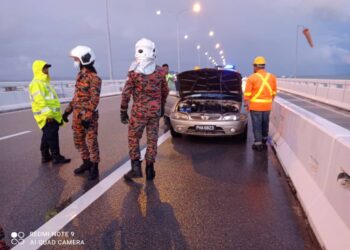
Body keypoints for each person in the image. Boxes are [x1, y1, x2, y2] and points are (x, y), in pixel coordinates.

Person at [121, 38, 169, 181]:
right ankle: (150, 169)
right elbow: (165, 91)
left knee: (133, 138)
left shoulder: (133, 70)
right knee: (152, 140)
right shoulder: (160, 71)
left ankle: (135, 167)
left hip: (139, 112)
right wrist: (161, 106)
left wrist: (123, 111)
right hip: (154, 112)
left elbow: (126, 93)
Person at [62, 46, 101, 180]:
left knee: (91, 142)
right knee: (79, 142)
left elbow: (95, 99)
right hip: (77, 116)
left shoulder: (94, 78)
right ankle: (86, 163)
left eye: (76, 59)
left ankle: (95, 167)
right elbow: (76, 98)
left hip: (88, 117)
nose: (75, 62)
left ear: (84, 60)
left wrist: (88, 116)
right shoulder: (79, 76)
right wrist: (67, 112)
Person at [29, 60, 71, 164]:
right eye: (44, 68)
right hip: (47, 116)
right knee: (52, 137)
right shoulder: (37, 83)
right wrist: (48, 114)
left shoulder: (45, 83)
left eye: (47, 68)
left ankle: (45, 156)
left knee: (47, 136)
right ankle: (56, 157)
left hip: (52, 115)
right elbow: (40, 101)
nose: (47, 70)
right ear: (38, 70)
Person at [244, 56, 277, 151]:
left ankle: (258, 144)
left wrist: (246, 104)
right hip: (267, 106)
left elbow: (247, 94)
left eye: (253, 66)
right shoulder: (272, 77)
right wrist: (268, 101)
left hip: (255, 107)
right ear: (263, 66)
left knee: (257, 125)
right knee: (265, 123)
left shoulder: (252, 78)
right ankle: (264, 141)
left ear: (256, 66)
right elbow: (274, 92)